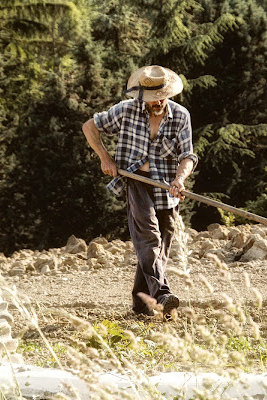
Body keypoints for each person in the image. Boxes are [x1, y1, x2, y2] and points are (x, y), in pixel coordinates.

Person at [82, 65, 198, 319]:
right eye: (151, 98)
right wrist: (105, 158)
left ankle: (140, 306)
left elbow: (187, 155)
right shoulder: (125, 110)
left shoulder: (180, 116)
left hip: (167, 185)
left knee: (160, 247)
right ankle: (163, 294)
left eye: (161, 97)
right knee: (149, 238)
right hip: (135, 180)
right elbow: (89, 126)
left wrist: (180, 178)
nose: (156, 102)